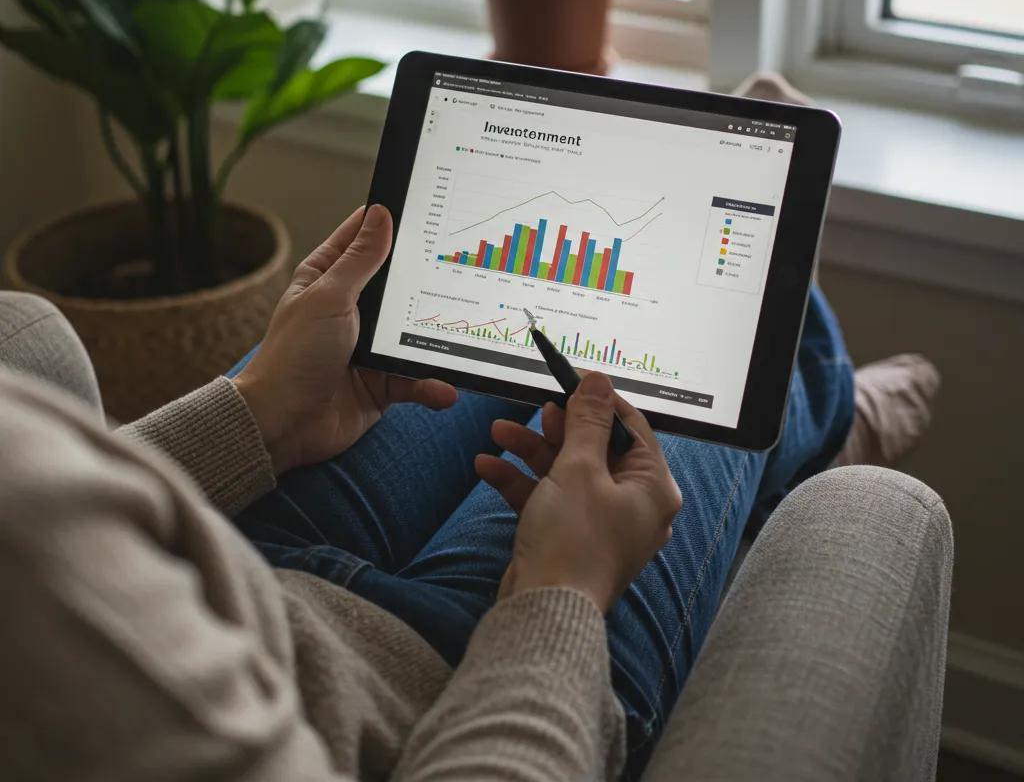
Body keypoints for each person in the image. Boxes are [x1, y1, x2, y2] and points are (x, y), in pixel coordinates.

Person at [0, 199, 940, 781]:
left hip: (222, 568)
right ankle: (826, 417)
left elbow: (47, 523)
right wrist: (562, 594)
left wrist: (250, 418)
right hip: (443, 688)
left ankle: (812, 407)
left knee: (496, 314)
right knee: (669, 365)